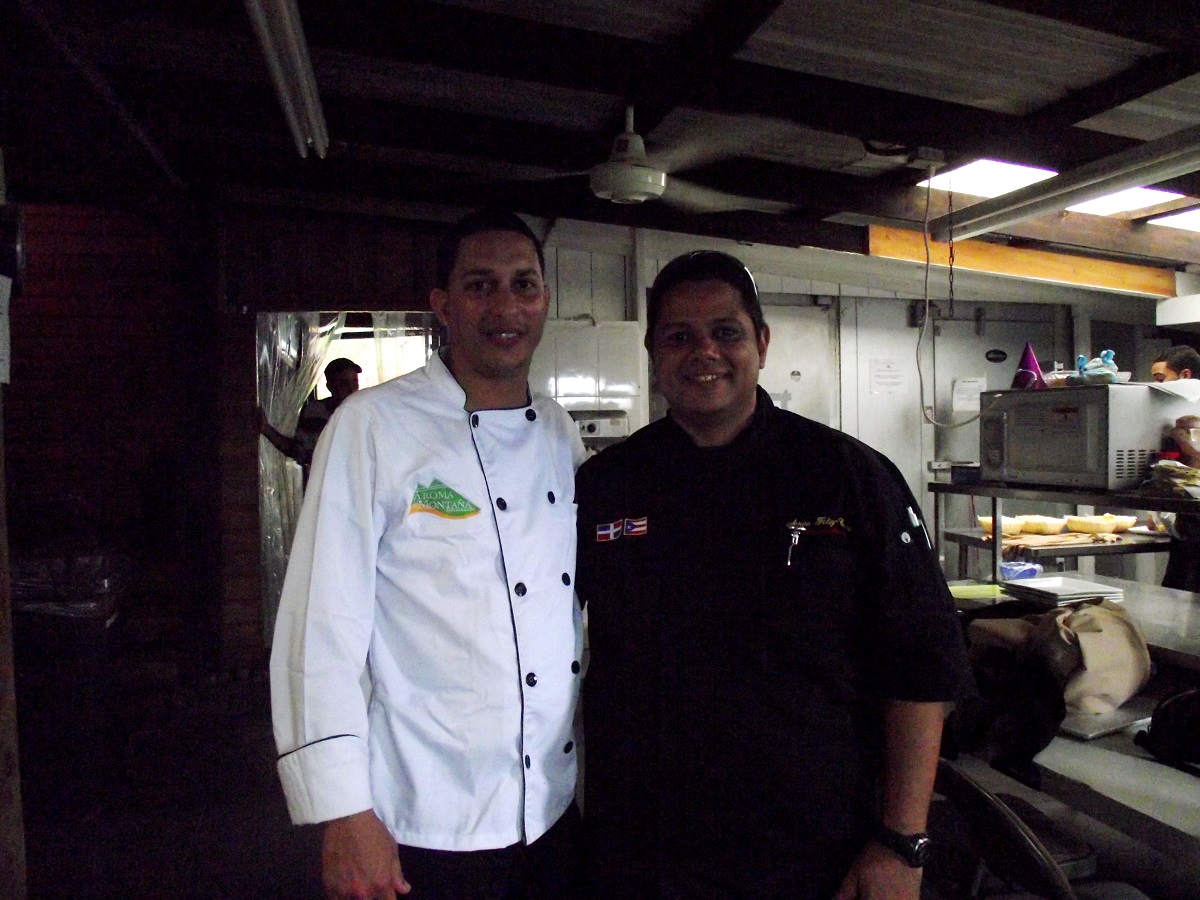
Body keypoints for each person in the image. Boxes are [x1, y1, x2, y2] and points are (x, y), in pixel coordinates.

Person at [574, 250, 974, 899]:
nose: (704, 352)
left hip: (813, 854)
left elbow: (923, 665)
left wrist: (903, 840)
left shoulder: (849, 477)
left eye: (725, 332)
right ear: (653, 352)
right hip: (641, 853)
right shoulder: (605, 486)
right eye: (679, 336)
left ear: (761, 343)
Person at [270, 209, 586, 899]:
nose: (505, 306)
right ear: (443, 305)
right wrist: (344, 811)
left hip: (553, 809)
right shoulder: (372, 425)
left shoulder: (559, 432)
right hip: (423, 817)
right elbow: (322, 628)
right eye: (480, 285)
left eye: (523, 284)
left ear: (544, 299)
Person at [260, 356, 362, 477]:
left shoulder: (365, 412)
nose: (351, 389)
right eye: (344, 383)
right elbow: (299, 451)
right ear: (330, 386)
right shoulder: (316, 412)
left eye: (355, 382)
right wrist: (267, 429)